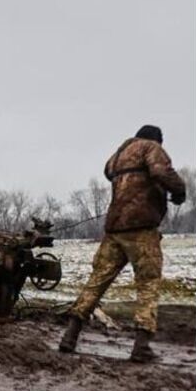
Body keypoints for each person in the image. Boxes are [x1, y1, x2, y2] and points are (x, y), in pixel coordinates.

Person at [57, 124, 187, 361]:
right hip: (142, 229)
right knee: (148, 285)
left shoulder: (118, 155)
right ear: (157, 140)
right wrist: (179, 190)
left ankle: (69, 337)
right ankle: (141, 347)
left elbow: (108, 171)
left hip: (114, 228)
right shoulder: (152, 147)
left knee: (95, 283)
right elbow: (160, 172)